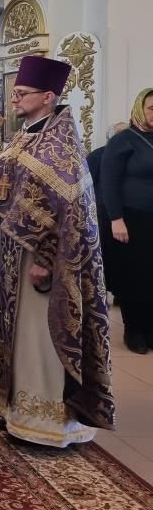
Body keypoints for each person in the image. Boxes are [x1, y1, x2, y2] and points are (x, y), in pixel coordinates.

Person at [0, 55, 114, 447]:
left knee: (37, 335)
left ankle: (43, 422)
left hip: (41, 259)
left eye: (22, 93)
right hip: (11, 255)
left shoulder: (60, 145)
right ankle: (10, 408)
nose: (14, 98)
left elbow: (66, 209)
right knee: (10, 332)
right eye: (14, 92)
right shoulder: (26, 135)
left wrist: (47, 259)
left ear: (48, 96)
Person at [101, 89, 153, 353]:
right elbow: (109, 182)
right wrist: (116, 218)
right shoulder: (123, 140)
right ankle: (134, 331)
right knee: (135, 276)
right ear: (139, 109)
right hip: (132, 218)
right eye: (152, 108)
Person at [88, 122, 128, 307]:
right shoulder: (97, 155)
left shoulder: (134, 155)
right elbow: (88, 185)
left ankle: (122, 292)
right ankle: (101, 293)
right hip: (103, 215)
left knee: (124, 257)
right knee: (103, 255)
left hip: (129, 214)